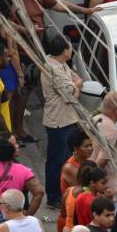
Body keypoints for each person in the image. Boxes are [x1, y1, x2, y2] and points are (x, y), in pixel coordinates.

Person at [43, 36, 82, 209]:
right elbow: (70, 92)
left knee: (66, 158)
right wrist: (78, 84)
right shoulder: (53, 69)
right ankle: (53, 196)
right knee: (56, 160)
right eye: (69, 47)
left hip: (67, 118)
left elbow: (74, 79)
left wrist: (76, 83)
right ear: (65, 50)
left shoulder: (61, 64)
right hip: (58, 120)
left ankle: (63, 192)